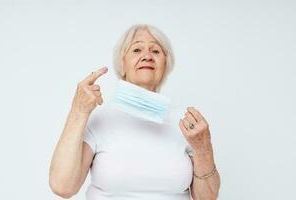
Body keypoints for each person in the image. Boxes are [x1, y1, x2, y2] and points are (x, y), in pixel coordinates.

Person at [49, 24, 220, 200]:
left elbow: (207, 198)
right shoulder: (98, 119)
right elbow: (63, 186)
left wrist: (203, 148)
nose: (147, 56)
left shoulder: (187, 123)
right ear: (122, 65)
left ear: (165, 65)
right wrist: (78, 111)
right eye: (137, 49)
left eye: (155, 51)